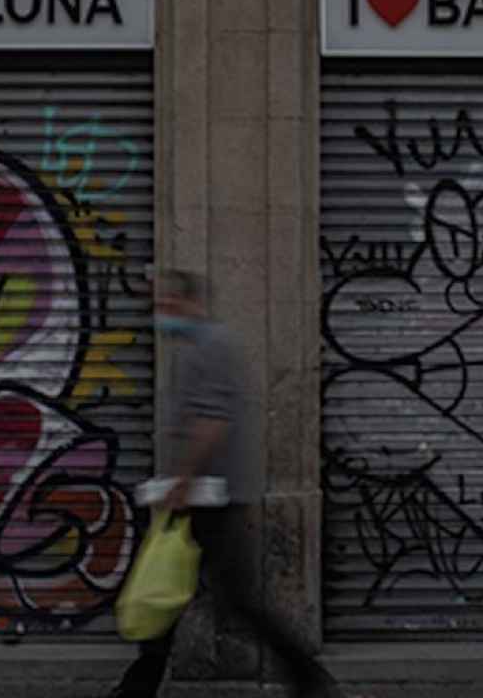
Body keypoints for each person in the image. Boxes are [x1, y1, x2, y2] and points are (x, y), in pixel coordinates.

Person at [108, 270, 338, 698]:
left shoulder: (210, 347)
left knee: (215, 596)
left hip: (210, 497)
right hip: (204, 495)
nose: (158, 314)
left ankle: (307, 677)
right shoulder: (198, 347)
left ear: (185, 301)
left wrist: (181, 478)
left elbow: (211, 421)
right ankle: (138, 686)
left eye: (164, 304)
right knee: (173, 590)